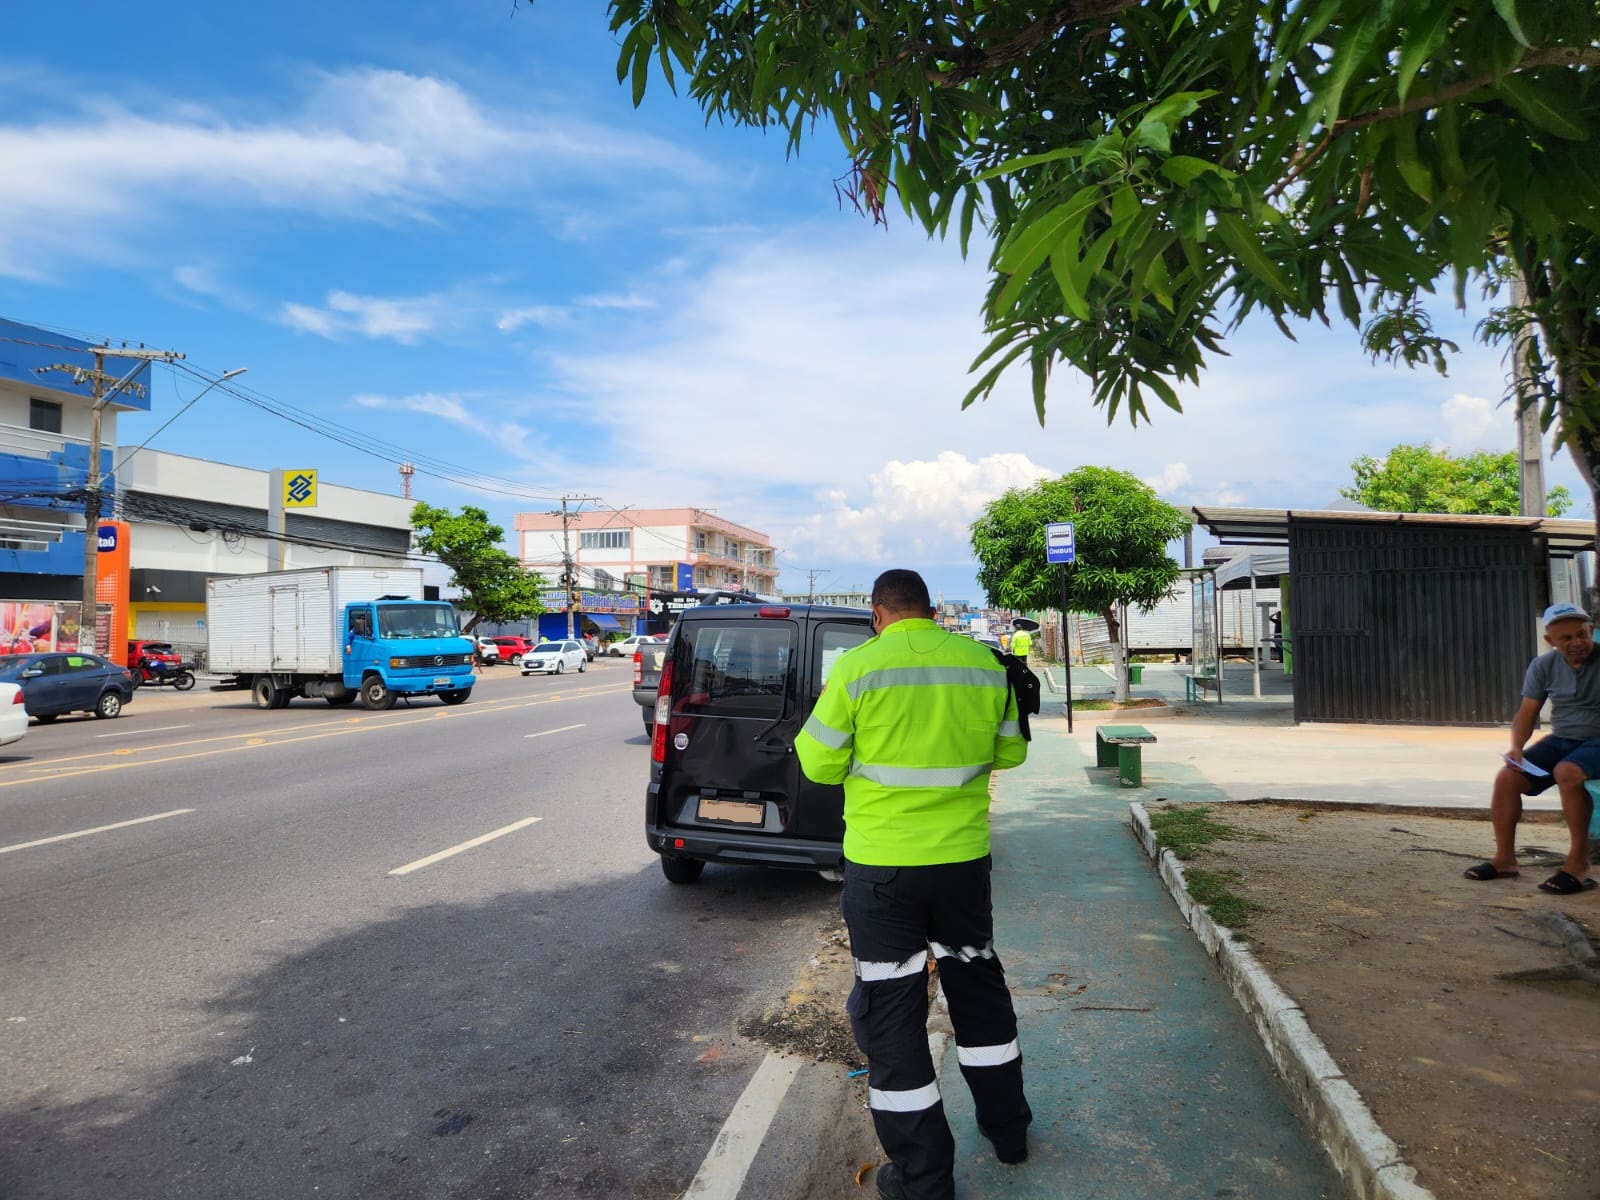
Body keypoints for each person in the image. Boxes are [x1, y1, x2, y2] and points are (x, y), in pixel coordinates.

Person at [796, 569, 1032, 1200]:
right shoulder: (984, 665)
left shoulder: (857, 668)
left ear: (878, 615)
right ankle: (1009, 1132)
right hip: (962, 865)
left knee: (892, 1013)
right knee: (978, 991)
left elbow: (817, 763)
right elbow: (1011, 754)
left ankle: (924, 1180)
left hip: (883, 872)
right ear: (930, 611)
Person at [1465, 602, 1597, 894]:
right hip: (1562, 740)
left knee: (1567, 772)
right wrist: (1516, 748)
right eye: (1566, 638)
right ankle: (1504, 860)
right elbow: (1527, 712)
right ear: (1550, 640)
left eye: (1581, 634)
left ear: (1591, 630)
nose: (1576, 642)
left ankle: (1578, 865)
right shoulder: (1543, 666)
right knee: (1507, 777)